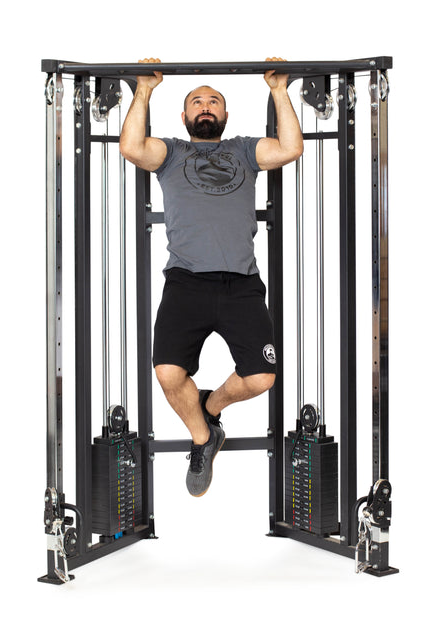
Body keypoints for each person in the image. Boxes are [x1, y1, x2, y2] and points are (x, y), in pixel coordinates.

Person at [120, 57, 303, 497]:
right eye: (197, 102)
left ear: (224, 115)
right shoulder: (170, 152)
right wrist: (143, 90)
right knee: (167, 373)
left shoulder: (243, 148)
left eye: (214, 101)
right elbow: (131, 147)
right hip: (185, 282)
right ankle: (204, 438)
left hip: (241, 283)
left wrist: (279, 90)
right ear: (184, 117)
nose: (206, 106)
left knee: (262, 378)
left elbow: (290, 148)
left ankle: (210, 407)